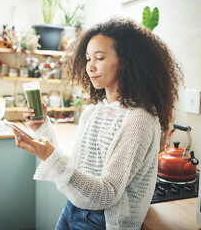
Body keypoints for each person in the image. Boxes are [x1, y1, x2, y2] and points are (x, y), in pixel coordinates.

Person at [12, 17, 183, 229]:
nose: (90, 67)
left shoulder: (139, 120)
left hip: (101, 222)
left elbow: (106, 194)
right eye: (87, 59)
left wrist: (48, 156)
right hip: (71, 210)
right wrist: (41, 127)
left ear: (126, 62)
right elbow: (75, 168)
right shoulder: (94, 111)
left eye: (99, 58)